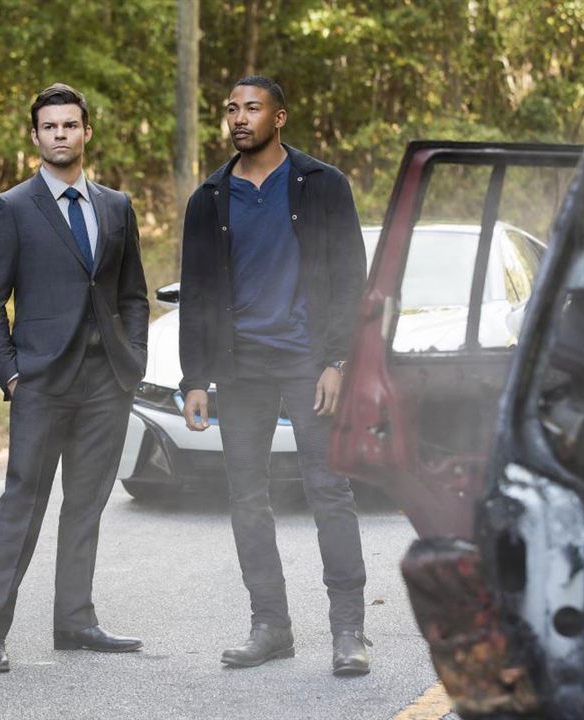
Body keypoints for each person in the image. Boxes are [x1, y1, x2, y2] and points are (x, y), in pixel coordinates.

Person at [179, 76, 371, 676]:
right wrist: (194, 379)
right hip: (242, 369)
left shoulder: (322, 185)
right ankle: (271, 625)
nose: (239, 118)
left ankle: (349, 630)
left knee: (329, 490)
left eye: (252, 108)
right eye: (231, 108)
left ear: (279, 116)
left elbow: (350, 279)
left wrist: (338, 360)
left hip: (308, 361)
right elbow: (199, 294)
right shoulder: (209, 197)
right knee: (247, 497)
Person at [0, 83, 149, 672]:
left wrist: (135, 359)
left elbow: (132, 295)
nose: (61, 135)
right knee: (22, 503)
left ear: (85, 132)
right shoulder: (12, 208)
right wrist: (12, 375)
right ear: (36, 136)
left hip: (106, 383)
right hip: (42, 383)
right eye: (50, 127)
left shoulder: (116, 206)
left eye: (70, 125)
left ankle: (74, 620)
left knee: (86, 506)